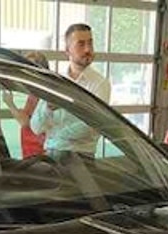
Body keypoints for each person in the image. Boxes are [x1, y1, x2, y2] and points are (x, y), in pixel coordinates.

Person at [30, 23, 111, 158]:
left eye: (90, 43)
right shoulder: (55, 82)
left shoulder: (100, 84)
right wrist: (48, 109)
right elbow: (36, 127)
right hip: (50, 155)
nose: (88, 49)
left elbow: (91, 127)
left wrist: (56, 134)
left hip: (81, 157)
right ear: (67, 51)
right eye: (81, 44)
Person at [1, 51, 49, 158]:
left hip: (37, 149)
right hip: (34, 148)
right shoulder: (36, 92)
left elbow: (25, 122)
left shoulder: (39, 93)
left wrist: (10, 104)